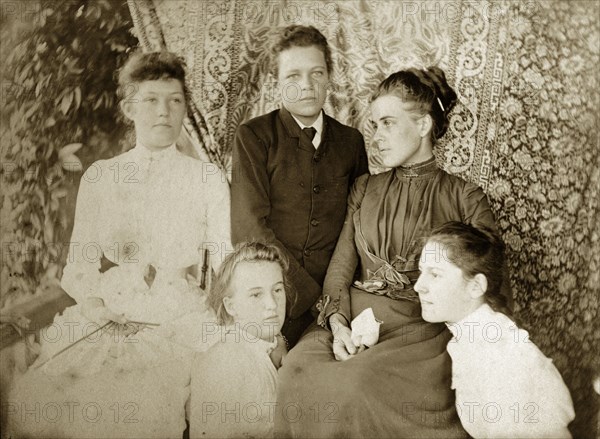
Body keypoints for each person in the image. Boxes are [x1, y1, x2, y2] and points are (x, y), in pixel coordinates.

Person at [5, 51, 231, 438]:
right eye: (151, 100)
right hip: (108, 306)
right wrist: (94, 306)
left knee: (140, 402)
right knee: (43, 396)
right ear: (129, 108)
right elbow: (80, 265)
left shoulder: (207, 177)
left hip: (177, 311)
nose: (164, 111)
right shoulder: (102, 177)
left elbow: (225, 258)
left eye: (175, 100)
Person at [275, 67, 498, 438]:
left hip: (420, 329)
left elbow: (486, 286)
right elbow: (341, 267)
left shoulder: (466, 198)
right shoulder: (364, 188)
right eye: (374, 125)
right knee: (294, 371)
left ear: (424, 125)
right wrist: (337, 324)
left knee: (355, 387)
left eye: (388, 123)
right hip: (350, 317)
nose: (376, 137)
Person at [231, 25, 369, 347]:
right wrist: (307, 296)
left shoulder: (350, 142)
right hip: (276, 300)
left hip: (337, 301)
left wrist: (337, 300)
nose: (306, 86)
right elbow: (249, 229)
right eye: (293, 76)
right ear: (274, 82)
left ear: (329, 77)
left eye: (317, 73)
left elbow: (358, 226)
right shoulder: (254, 137)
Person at [415, 221, 575, 438]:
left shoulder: (498, 358)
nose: (418, 286)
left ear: (476, 286)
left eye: (435, 274)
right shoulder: (475, 337)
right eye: (421, 272)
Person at [189, 241, 289, 438]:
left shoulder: (273, 344)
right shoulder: (223, 364)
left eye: (277, 290)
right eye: (256, 295)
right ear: (231, 306)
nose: (271, 304)